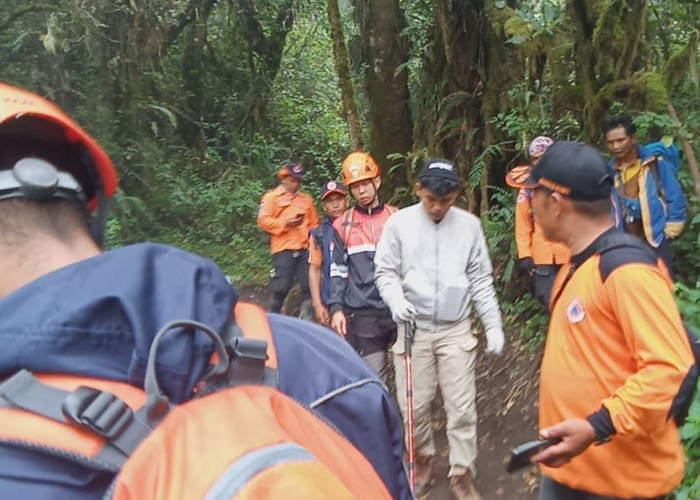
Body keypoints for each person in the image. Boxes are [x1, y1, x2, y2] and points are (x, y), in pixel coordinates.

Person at [0, 82, 411, 499]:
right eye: (289, 177)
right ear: (92, 208)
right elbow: (266, 223)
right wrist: (286, 229)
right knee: (279, 290)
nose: (292, 182)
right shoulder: (327, 360)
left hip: (306, 258)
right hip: (282, 260)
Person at [510, 141, 695, 499]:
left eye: (534, 194)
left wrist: (598, 425)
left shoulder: (625, 270)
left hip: (622, 483)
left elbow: (670, 369)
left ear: (556, 203)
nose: (530, 205)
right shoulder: (575, 267)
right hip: (571, 470)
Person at [375, 158, 506, 500]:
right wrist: (394, 299)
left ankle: (462, 471)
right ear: (419, 190)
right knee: (414, 406)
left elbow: (480, 279)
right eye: (431, 199)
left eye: (445, 201)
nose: (436, 207)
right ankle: (422, 459)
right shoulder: (399, 224)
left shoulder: (469, 226)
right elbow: (385, 272)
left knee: (461, 406)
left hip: (455, 329)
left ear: (457, 196)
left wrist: (492, 324)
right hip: (413, 329)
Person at [328, 151, 398, 383]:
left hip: (397, 309)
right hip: (364, 314)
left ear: (376, 181)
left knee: (408, 375)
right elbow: (337, 270)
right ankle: (384, 418)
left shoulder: (396, 218)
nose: (361, 191)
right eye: (355, 186)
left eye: (365, 184)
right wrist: (336, 308)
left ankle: (409, 418)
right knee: (376, 377)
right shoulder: (342, 225)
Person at [604, 116, 686, 274]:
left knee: (662, 284)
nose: (616, 146)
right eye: (611, 142)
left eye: (621, 140)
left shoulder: (654, 162)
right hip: (625, 240)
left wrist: (669, 233)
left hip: (655, 238)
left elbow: (674, 196)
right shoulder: (610, 170)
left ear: (633, 138)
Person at [506, 136, 570, 308]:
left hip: (568, 252)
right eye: (536, 158)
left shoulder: (568, 183)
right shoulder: (526, 190)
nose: (540, 162)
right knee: (547, 297)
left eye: (545, 157)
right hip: (541, 253)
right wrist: (525, 255)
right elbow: (523, 223)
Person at [257, 162, 319, 316]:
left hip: (304, 248)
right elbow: (263, 221)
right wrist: (285, 223)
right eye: (292, 180)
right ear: (283, 178)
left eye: (298, 180)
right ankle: (274, 316)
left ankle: (307, 321)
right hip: (283, 247)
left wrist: (315, 241)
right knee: (281, 287)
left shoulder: (306, 200)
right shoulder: (271, 197)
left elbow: (314, 223)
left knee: (309, 286)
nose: (295, 183)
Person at [308, 179, 347, 325]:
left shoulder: (358, 225)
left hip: (359, 299)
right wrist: (317, 304)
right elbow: (314, 269)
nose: (335, 205)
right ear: (324, 206)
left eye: (339, 199)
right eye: (330, 201)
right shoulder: (319, 234)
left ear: (346, 201)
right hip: (330, 299)